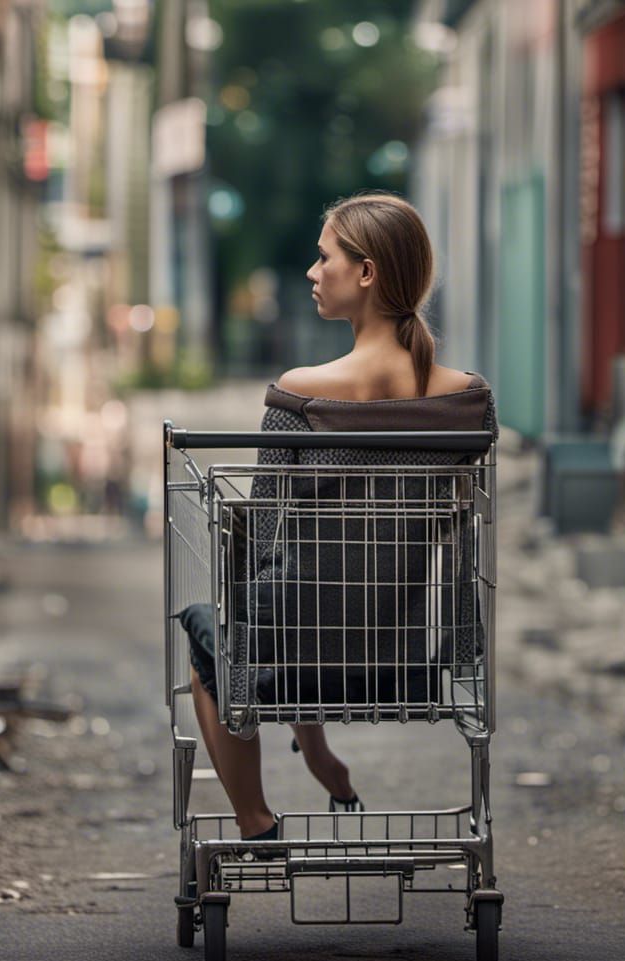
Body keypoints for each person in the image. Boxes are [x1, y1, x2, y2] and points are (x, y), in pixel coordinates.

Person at [178, 192, 498, 842]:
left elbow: (268, 544)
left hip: (297, 654)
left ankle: (256, 819)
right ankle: (319, 754)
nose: (312, 271)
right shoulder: (468, 402)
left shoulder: (300, 395)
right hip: (406, 654)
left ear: (367, 272)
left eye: (325, 257)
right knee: (310, 590)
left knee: (218, 630)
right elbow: (463, 521)